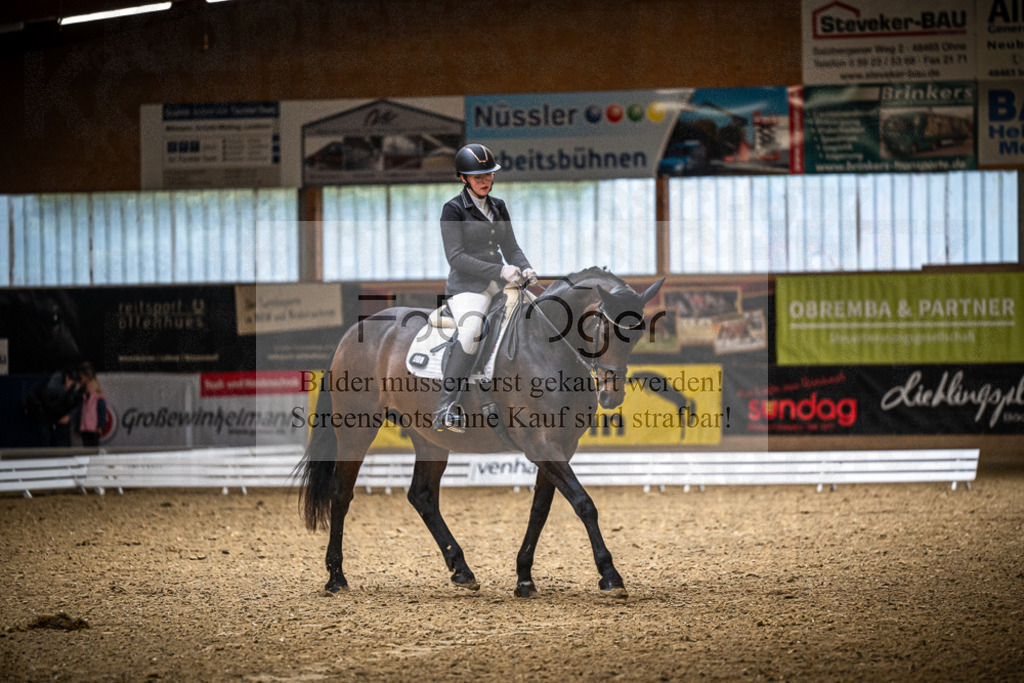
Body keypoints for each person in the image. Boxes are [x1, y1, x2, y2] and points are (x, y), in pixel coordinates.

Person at [433, 143, 538, 433]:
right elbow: (456, 257)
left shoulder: (498, 206)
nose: (485, 181)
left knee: (535, 316)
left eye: (488, 175)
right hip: (468, 287)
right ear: (463, 178)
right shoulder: (452, 210)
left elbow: (511, 247)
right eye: (478, 176)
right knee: (472, 329)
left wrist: (525, 266)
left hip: (501, 284)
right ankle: (446, 405)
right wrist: (499, 270)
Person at [21, 368, 80, 447]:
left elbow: (76, 403)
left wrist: (69, 416)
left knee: (61, 438)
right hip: (43, 412)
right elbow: (50, 390)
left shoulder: (74, 388)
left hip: (57, 414)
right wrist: (65, 388)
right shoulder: (58, 377)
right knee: (45, 438)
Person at [74, 362, 107, 447]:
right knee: (86, 447)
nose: (87, 388)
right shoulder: (83, 397)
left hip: (93, 429)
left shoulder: (98, 399)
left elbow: (102, 413)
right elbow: (79, 414)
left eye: (89, 386)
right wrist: (77, 429)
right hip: (85, 428)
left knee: (93, 447)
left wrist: (100, 426)